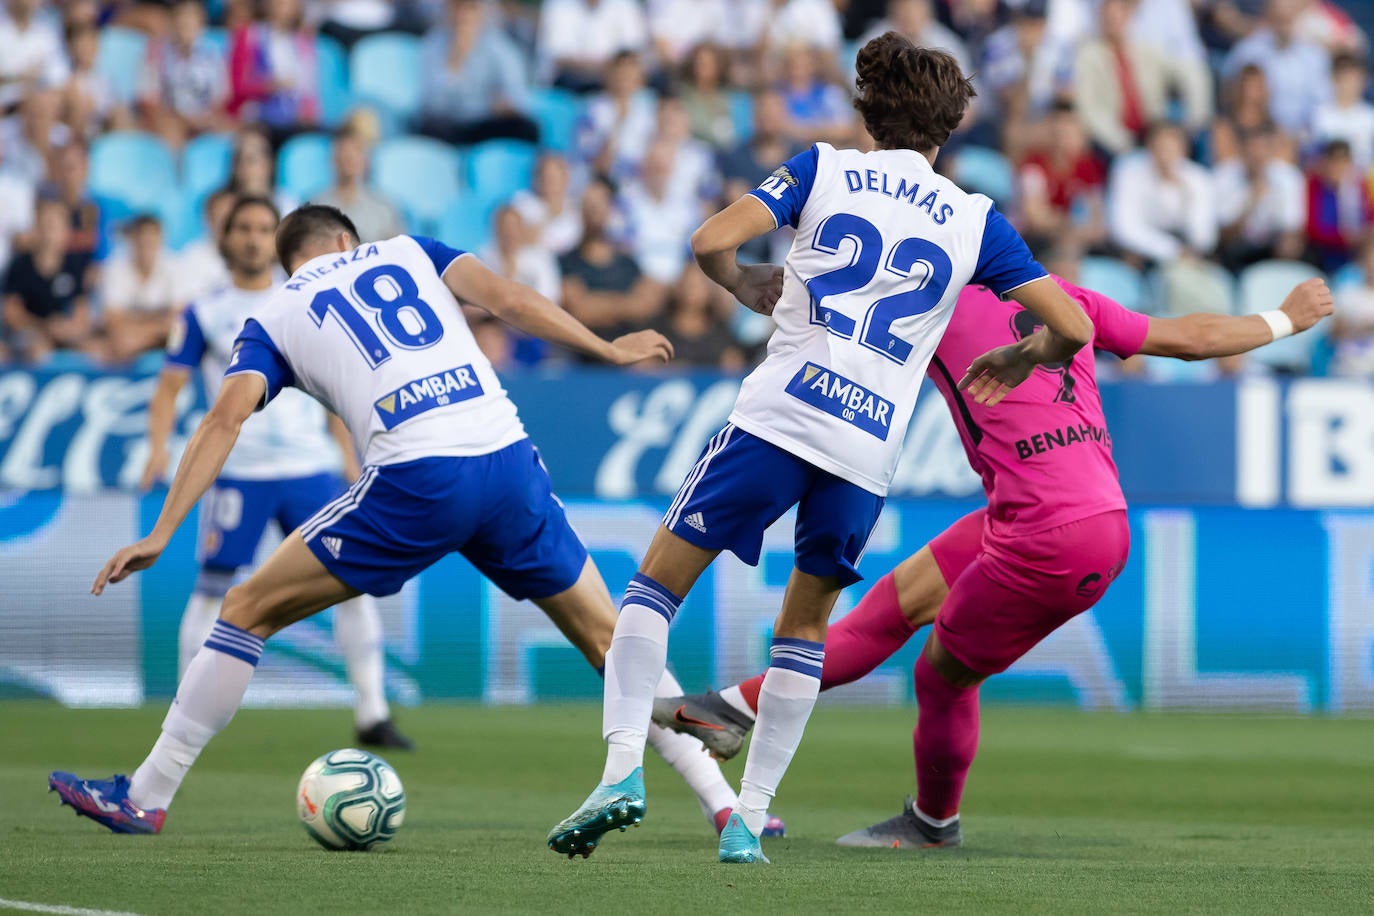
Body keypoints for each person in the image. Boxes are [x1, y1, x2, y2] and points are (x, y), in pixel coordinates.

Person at [53, 204, 770, 845]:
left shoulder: (273, 313)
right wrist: (607, 348)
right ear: (345, 239)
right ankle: (726, 805)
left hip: (418, 475)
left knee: (244, 609)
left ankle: (146, 796)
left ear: (292, 259)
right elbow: (511, 300)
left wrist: (161, 532)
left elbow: (224, 417)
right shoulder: (409, 250)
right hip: (507, 459)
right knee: (611, 638)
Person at [548, 33, 1094, 866]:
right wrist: (1021, 354)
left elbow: (706, 242)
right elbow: (1077, 327)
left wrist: (744, 283)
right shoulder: (978, 219)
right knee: (803, 630)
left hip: (781, 415)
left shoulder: (825, 168)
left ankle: (623, 767)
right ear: (948, 127)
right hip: (867, 446)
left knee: (653, 588)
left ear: (868, 112)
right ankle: (749, 819)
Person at [651, 273, 1334, 846]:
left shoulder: (932, 308)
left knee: (941, 674)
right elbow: (1190, 340)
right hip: (1056, 513)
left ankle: (929, 820)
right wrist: (1285, 318)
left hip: (1047, 536)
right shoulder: (1071, 301)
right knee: (896, 602)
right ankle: (730, 709)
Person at [134, 196, 411, 751]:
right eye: (244, 228)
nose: (255, 237)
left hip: (310, 468)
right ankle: (187, 710)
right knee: (214, 588)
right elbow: (168, 388)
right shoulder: (203, 312)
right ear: (226, 237)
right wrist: (158, 448)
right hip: (239, 471)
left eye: (265, 228)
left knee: (350, 585)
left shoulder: (305, 300)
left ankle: (372, 712)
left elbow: (335, 388)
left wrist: (350, 456)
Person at [2, 196, 94, 363]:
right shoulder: (20, 265)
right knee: (38, 350)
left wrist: (69, 329)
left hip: (64, 333)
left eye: (55, 226)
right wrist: (44, 326)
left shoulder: (74, 266)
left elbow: (82, 314)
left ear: (65, 231)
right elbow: (11, 314)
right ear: (36, 229)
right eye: (45, 225)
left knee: (97, 351)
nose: (49, 232)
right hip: (30, 333)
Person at [99, 213, 179, 362]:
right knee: (118, 342)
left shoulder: (174, 266)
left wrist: (140, 333)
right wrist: (159, 328)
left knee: (182, 337)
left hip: (145, 339)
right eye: (142, 241)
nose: (146, 247)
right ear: (132, 241)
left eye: (151, 241)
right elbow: (113, 320)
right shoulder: (115, 268)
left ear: (161, 240)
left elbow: (180, 317)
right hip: (138, 339)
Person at [314, 127, 405, 243]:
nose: (350, 156)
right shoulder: (316, 206)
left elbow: (399, 250)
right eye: (343, 151)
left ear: (366, 160)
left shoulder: (384, 207)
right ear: (333, 159)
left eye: (357, 150)